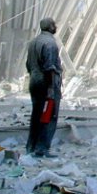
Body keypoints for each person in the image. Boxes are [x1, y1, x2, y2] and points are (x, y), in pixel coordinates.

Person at [26, 17, 62, 157]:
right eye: (54, 24)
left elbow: (28, 65)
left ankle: (31, 146)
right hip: (47, 84)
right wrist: (51, 89)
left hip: (34, 82)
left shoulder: (33, 42)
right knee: (49, 115)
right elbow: (49, 68)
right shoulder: (50, 44)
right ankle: (42, 148)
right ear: (50, 27)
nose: (56, 26)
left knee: (36, 115)